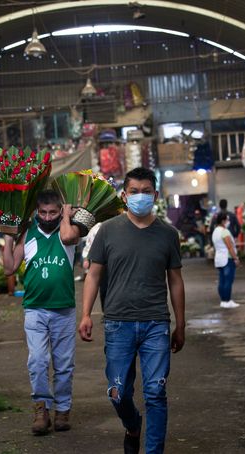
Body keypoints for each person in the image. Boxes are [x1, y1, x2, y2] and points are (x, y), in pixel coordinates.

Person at [79, 167, 185, 454]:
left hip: (156, 325)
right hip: (117, 323)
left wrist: (181, 324)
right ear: (124, 196)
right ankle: (132, 424)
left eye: (146, 192)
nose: (140, 197)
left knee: (155, 393)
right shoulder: (107, 231)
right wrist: (86, 313)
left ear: (155, 194)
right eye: (134, 192)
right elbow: (93, 275)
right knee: (118, 392)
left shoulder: (167, 234)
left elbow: (175, 281)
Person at [3, 190, 81, 435]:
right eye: (43, 212)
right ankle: (41, 409)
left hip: (63, 309)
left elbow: (68, 238)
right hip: (35, 308)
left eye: (53, 212)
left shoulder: (70, 229)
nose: (47, 217)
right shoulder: (27, 233)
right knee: (37, 361)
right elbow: (8, 268)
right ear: (37, 210)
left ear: (61, 210)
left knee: (64, 364)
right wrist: (7, 238)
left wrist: (67, 216)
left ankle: (63, 410)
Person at [212, 212, 241, 308]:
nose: (228, 222)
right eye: (227, 220)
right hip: (227, 258)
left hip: (219, 258)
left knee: (222, 280)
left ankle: (223, 301)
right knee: (228, 280)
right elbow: (230, 247)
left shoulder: (215, 231)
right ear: (223, 221)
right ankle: (227, 300)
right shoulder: (225, 232)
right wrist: (235, 258)